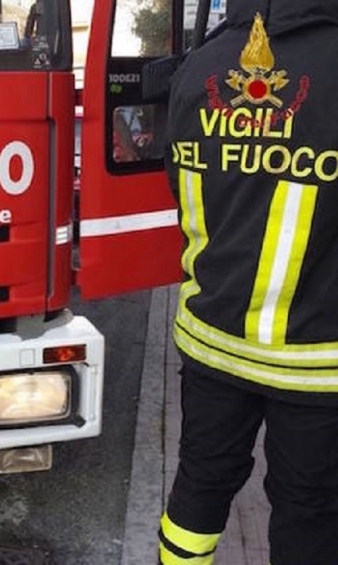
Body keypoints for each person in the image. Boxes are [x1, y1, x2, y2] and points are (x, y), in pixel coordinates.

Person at [158, 1, 338, 564]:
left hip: (211, 339)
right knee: (308, 510)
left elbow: (177, 179)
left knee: (198, 487)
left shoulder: (198, 66)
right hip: (315, 360)